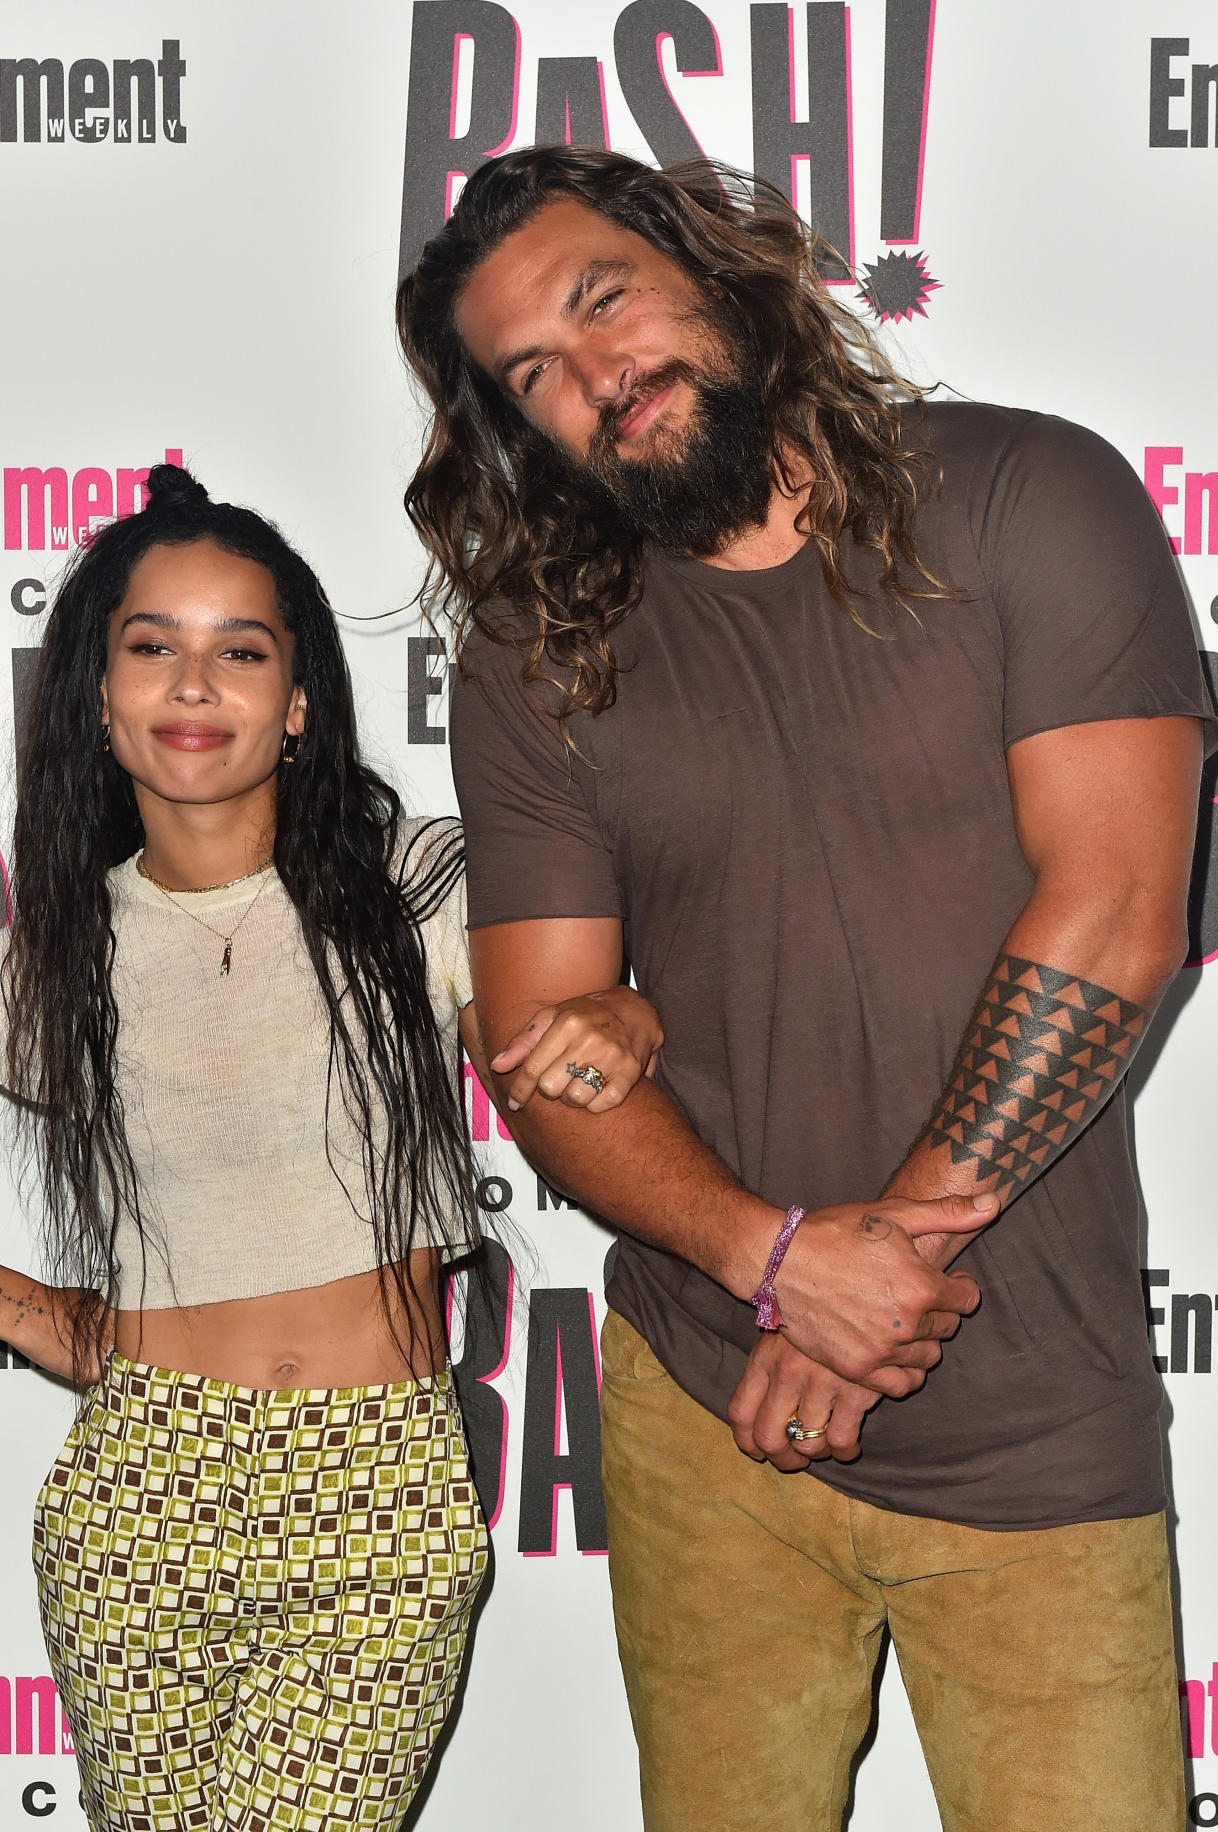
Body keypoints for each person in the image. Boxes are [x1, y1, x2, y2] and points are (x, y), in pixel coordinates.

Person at [396, 145, 1218, 1832]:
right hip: (710, 1426)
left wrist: (854, 1299)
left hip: (1029, 1430)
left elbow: (1118, 905)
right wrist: (771, 1266)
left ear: (717, 263)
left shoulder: (1024, 497)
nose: (590, 377)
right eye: (528, 373)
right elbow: (544, 1055)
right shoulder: (538, 652)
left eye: (601, 299)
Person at [0, 463, 662, 1832]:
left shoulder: (408, 880)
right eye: (152, 648)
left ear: (296, 703)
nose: (196, 686)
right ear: (99, 698)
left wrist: (612, 1012)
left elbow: (540, 1023)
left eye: (240, 650)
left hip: (376, 1482)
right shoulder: (53, 958)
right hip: (143, 1490)